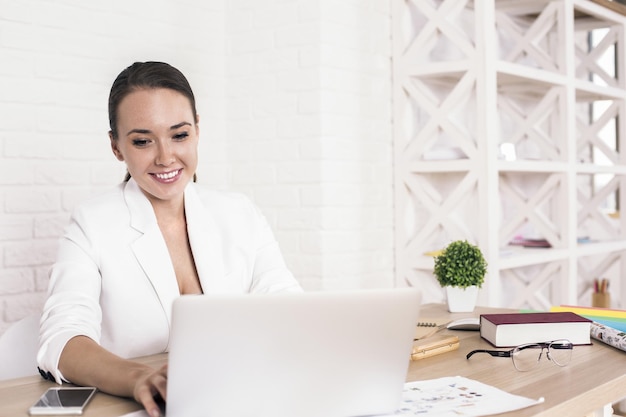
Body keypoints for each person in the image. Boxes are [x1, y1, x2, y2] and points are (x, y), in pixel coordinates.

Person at [37, 61, 302, 417]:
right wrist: (138, 379)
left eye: (179, 135)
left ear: (197, 130)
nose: (165, 157)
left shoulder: (240, 213)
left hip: (239, 399)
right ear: (117, 147)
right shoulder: (92, 223)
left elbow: (290, 308)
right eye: (143, 141)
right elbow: (61, 341)